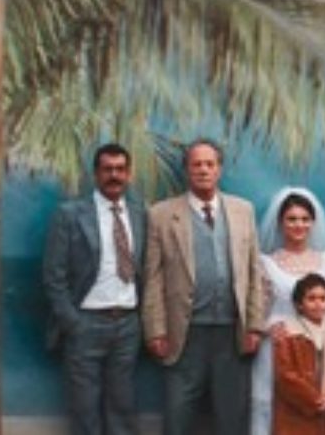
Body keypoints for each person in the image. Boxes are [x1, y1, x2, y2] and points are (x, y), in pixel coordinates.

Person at [142, 138, 264, 435]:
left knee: (232, 416)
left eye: (210, 164)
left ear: (219, 169)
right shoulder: (161, 214)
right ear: (187, 169)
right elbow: (153, 276)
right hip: (184, 333)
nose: (203, 170)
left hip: (232, 332)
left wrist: (254, 326)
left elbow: (253, 271)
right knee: (178, 415)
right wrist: (155, 329)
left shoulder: (242, 210)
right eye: (196, 164)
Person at [43, 143, 146, 435]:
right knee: (84, 409)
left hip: (127, 325)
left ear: (128, 174)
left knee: (123, 407)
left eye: (120, 169)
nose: (114, 175)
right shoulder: (70, 215)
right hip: (85, 324)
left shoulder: (140, 214)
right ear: (96, 174)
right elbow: (54, 276)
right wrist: (72, 322)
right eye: (107, 169)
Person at [251, 187, 325, 435]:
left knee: (322, 403)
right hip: (280, 347)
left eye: (305, 219)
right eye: (292, 219)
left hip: (322, 346)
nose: (299, 225)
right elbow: (258, 309)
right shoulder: (266, 263)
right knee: (277, 408)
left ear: (313, 223)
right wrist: (268, 328)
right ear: (281, 223)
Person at [273, 273, 325, 435]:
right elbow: (285, 375)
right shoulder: (288, 333)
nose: (318, 304)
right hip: (296, 413)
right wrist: (314, 400)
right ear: (299, 304)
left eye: (323, 299)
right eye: (311, 299)